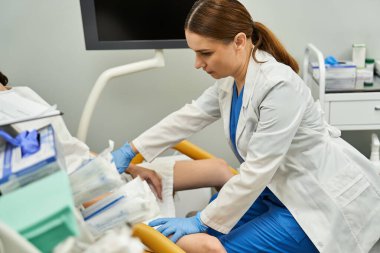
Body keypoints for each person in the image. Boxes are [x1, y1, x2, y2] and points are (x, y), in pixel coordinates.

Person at [111, 0, 380, 252]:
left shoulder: (278, 86)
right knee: (200, 237)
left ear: (239, 41)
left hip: (311, 204)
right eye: (195, 53)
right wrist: (132, 148)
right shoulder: (230, 82)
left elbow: (257, 169)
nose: (197, 64)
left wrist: (201, 221)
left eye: (205, 53)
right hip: (272, 189)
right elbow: (189, 116)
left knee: (215, 246)